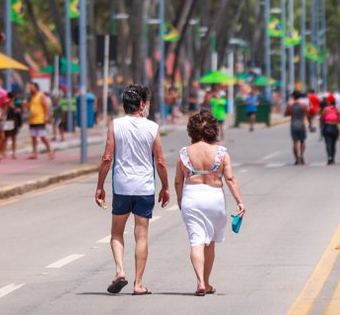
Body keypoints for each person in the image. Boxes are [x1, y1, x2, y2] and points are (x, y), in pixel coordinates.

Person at [95, 85, 170, 296]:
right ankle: (138, 284)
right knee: (142, 235)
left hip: (121, 186)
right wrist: (165, 186)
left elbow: (107, 157)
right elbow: (160, 161)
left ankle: (120, 270)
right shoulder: (152, 127)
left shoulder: (115, 125)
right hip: (145, 187)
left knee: (117, 232)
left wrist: (100, 186)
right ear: (142, 105)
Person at [174, 108, 245, 296]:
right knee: (210, 243)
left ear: (192, 130)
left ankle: (199, 282)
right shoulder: (221, 153)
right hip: (214, 198)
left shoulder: (184, 153)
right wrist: (240, 202)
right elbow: (230, 179)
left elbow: (178, 180)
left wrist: (180, 199)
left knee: (196, 241)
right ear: (213, 130)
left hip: (192, 197)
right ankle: (206, 282)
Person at [25, 82, 54, 160]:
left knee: (42, 137)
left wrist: (46, 117)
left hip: (40, 119)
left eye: (32, 87)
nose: (30, 89)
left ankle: (50, 151)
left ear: (36, 88)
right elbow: (29, 108)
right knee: (33, 137)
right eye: (30, 87)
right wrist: (26, 106)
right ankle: (34, 153)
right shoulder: (31, 97)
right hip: (32, 119)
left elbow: (46, 106)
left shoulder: (41, 95)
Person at [286, 91, 311, 165]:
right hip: (301, 124)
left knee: (295, 142)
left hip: (293, 124)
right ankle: (302, 155)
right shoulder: (303, 105)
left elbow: (287, 113)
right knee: (302, 141)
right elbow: (308, 115)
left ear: (293, 96)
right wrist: (310, 123)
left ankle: (296, 158)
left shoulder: (290, 104)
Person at [320, 94, 340, 165]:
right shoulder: (337, 110)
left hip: (327, 127)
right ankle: (333, 158)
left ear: (329, 102)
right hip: (335, 127)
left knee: (328, 143)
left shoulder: (325, 109)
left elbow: (321, 118)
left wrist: (321, 126)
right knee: (334, 144)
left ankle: (329, 157)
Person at [4, 92, 24, 159]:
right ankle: (5, 152)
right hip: (8, 121)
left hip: (15, 121)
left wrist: (17, 109)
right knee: (6, 137)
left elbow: (20, 110)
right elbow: (5, 111)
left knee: (13, 137)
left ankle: (13, 153)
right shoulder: (7, 103)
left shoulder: (18, 102)